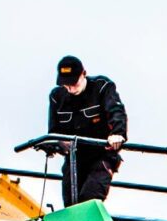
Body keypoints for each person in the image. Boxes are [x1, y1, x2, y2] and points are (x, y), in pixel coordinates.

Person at [45, 55, 128, 204]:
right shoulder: (57, 96)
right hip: (74, 158)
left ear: (84, 74)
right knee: (70, 205)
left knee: (89, 200)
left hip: (101, 155)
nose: (70, 88)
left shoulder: (102, 87)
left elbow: (116, 111)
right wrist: (56, 143)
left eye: (74, 83)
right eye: (66, 84)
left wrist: (117, 133)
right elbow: (53, 131)